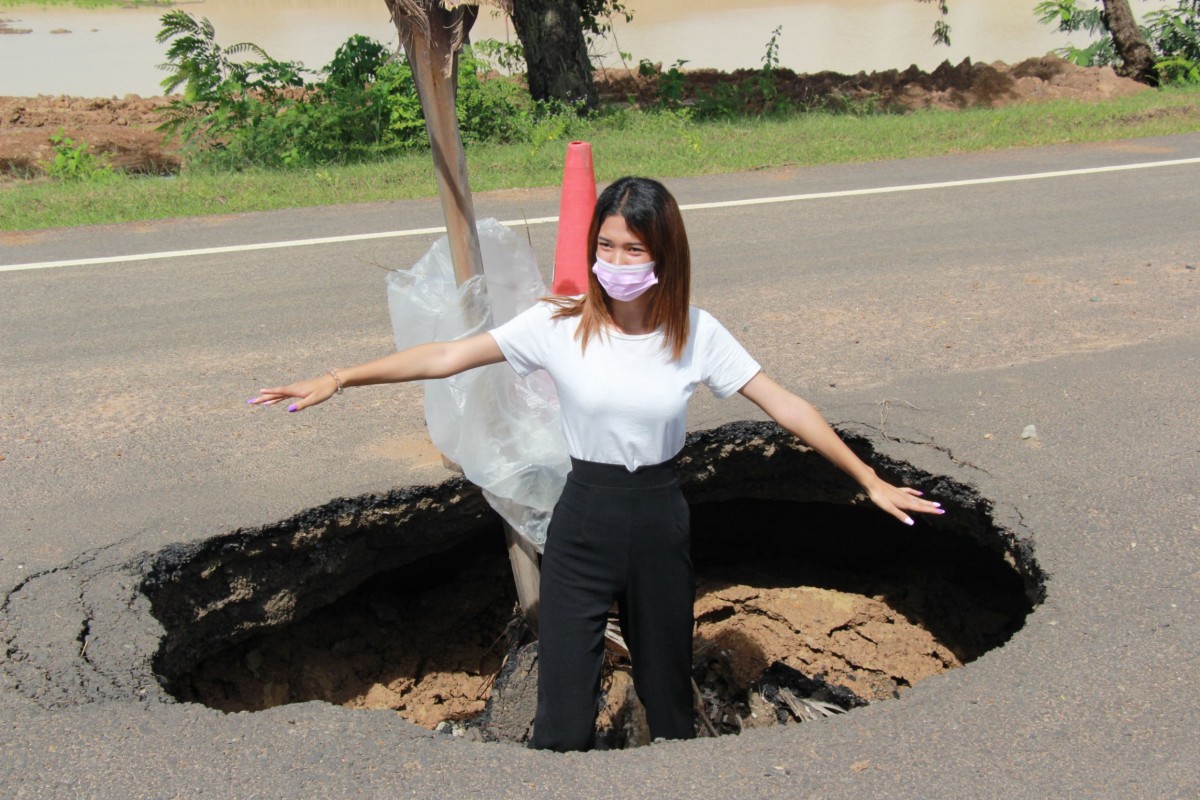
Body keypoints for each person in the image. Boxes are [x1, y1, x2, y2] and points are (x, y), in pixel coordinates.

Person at [250, 176, 943, 752]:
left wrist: (869, 479)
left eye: (632, 248)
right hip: (582, 521)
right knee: (562, 716)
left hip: (659, 521)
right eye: (604, 245)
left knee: (668, 703)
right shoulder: (559, 324)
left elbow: (785, 405)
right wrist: (340, 378)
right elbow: (446, 355)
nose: (615, 259)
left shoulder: (696, 332)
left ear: (663, 256)